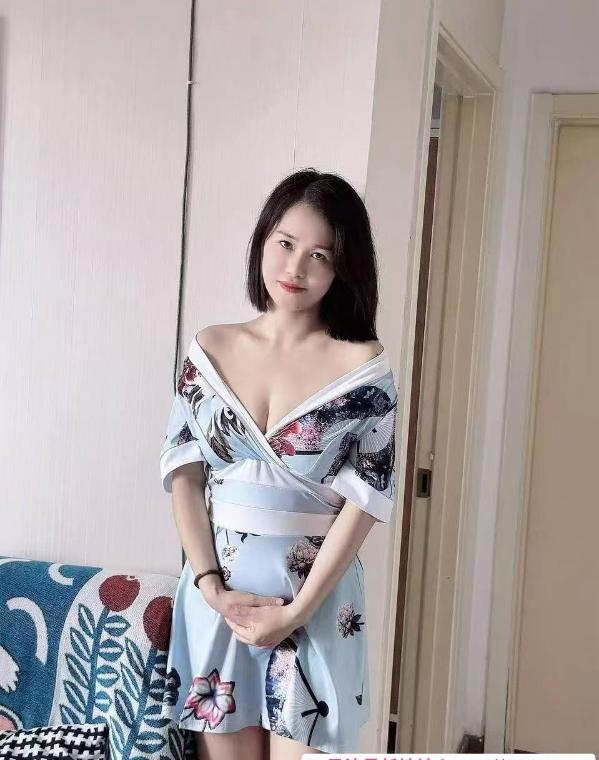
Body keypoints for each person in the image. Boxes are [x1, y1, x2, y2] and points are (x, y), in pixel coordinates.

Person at [158, 168, 399, 760]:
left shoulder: (363, 368)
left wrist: (298, 611)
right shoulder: (210, 349)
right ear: (263, 239)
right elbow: (184, 474)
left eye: (320, 255)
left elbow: (365, 504)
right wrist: (210, 588)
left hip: (313, 607)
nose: (296, 268)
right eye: (286, 244)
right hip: (221, 605)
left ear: (342, 267)